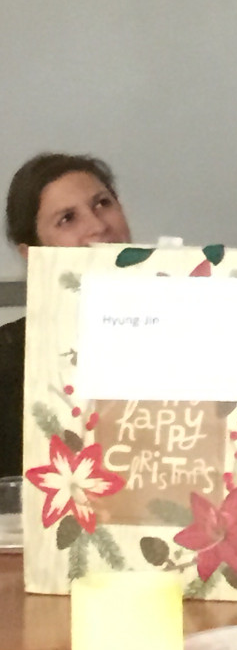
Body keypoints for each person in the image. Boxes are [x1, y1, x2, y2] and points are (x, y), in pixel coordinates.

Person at [1, 154, 131, 477]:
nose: (98, 226)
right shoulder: (7, 360)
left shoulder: (195, 331)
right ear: (32, 254)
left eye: (103, 203)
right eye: (67, 219)